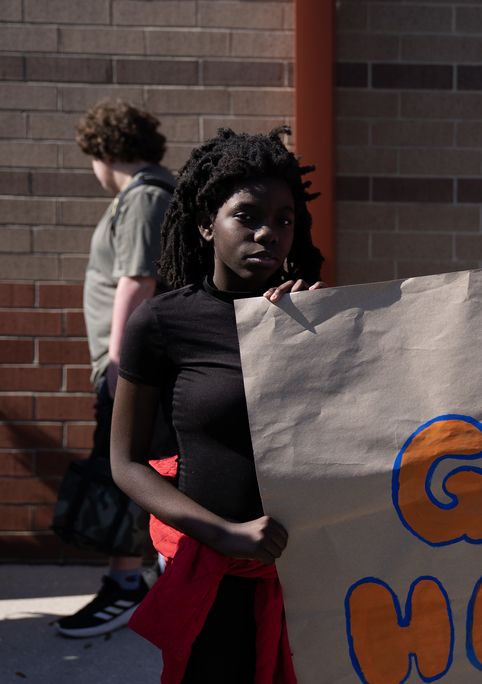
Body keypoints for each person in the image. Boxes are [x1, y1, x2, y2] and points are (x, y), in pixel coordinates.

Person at [109, 127, 324, 682]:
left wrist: (333, 339)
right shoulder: (163, 322)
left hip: (314, 579)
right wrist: (223, 533)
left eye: (283, 219)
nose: (268, 233)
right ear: (206, 224)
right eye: (247, 216)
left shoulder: (317, 317)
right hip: (215, 580)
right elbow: (126, 463)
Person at [55, 99, 178, 638]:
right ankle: (146, 575)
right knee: (140, 465)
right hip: (135, 366)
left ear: (105, 151)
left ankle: (126, 584)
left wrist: (117, 365)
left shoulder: (145, 197)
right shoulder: (146, 196)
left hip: (130, 367)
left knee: (122, 469)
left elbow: (137, 281)